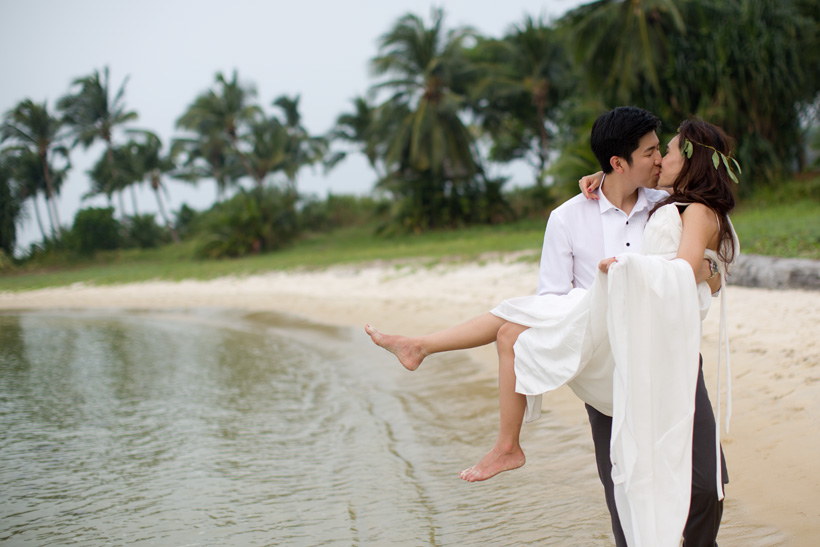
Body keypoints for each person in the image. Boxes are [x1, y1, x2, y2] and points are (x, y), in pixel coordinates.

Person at [365, 111, 737, 545]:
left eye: (660, 150)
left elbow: (705, 256)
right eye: (649, 152)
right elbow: (550, 301)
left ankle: (426, 350)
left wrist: (699, 273)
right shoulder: (568, 218)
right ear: (618, 162)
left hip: (667, 357)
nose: (657, 159)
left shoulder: (664, 201)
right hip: (605, 365)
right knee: (624, 493)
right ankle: (432, 358)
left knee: (708, 485)